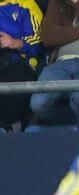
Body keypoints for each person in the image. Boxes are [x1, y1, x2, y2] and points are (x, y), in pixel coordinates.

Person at [0, 0, 42, 128]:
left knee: (13, 81)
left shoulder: (26, 4)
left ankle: (9, 126)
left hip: (19, 61)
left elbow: (39, 41)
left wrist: (15, 43)